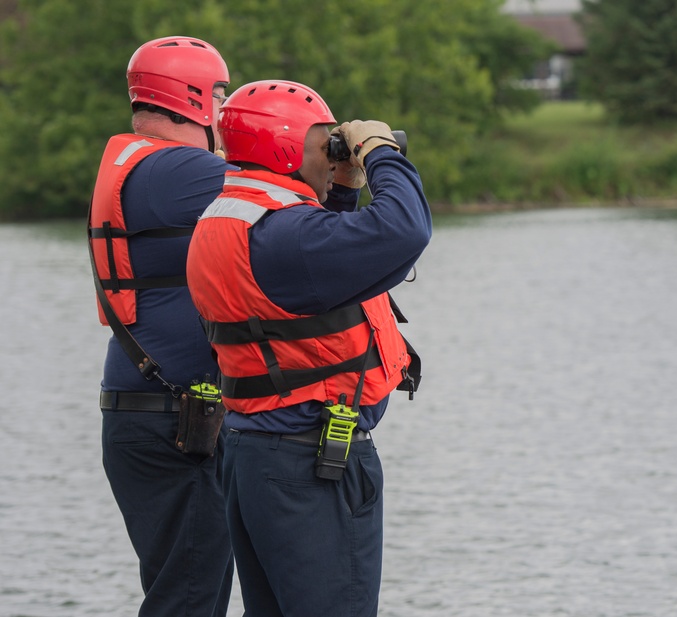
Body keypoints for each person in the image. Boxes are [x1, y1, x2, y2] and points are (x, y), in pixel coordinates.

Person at [185, 79, 431, 617]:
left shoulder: (235, 217)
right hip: (312, 467)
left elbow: (319, 274)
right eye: (326, 142)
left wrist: (343, 186)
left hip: (257, 459)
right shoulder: (286, 235)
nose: (332, 152)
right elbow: (406, 228)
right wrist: (381, 153)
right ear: (286, 146)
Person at [87, 36, 235, 617]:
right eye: (221, 96)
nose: (225, 114)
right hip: (173, 423)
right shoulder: (181, 169)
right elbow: (294, 205)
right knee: (191, 599)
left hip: (145, 411)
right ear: (193, 98)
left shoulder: (139, 162)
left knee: (181, 592)